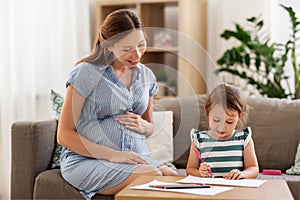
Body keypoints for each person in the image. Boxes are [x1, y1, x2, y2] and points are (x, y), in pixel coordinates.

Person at [57, 9, 177, 199]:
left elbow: (149, 126)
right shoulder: (86, 73)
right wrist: (112, 155)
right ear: (108, 45)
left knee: (173, 176)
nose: (136, 54)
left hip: (135, 159)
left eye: (141, 44)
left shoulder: (146, 75)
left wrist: (145, 126)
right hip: (87, 160)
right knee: (151, 175)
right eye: (127, 48)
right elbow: (64, 134)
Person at [186, 83, 259, 179]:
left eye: (229, 122)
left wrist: (243, 174)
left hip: (235, 190)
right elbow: (190, 170)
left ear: (240, 116)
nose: (222, 127)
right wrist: (200, 173)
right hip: (207, 191)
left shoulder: (244, 139)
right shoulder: (199, 140)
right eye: (216, 120)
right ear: (207, 112)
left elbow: (253, 168)